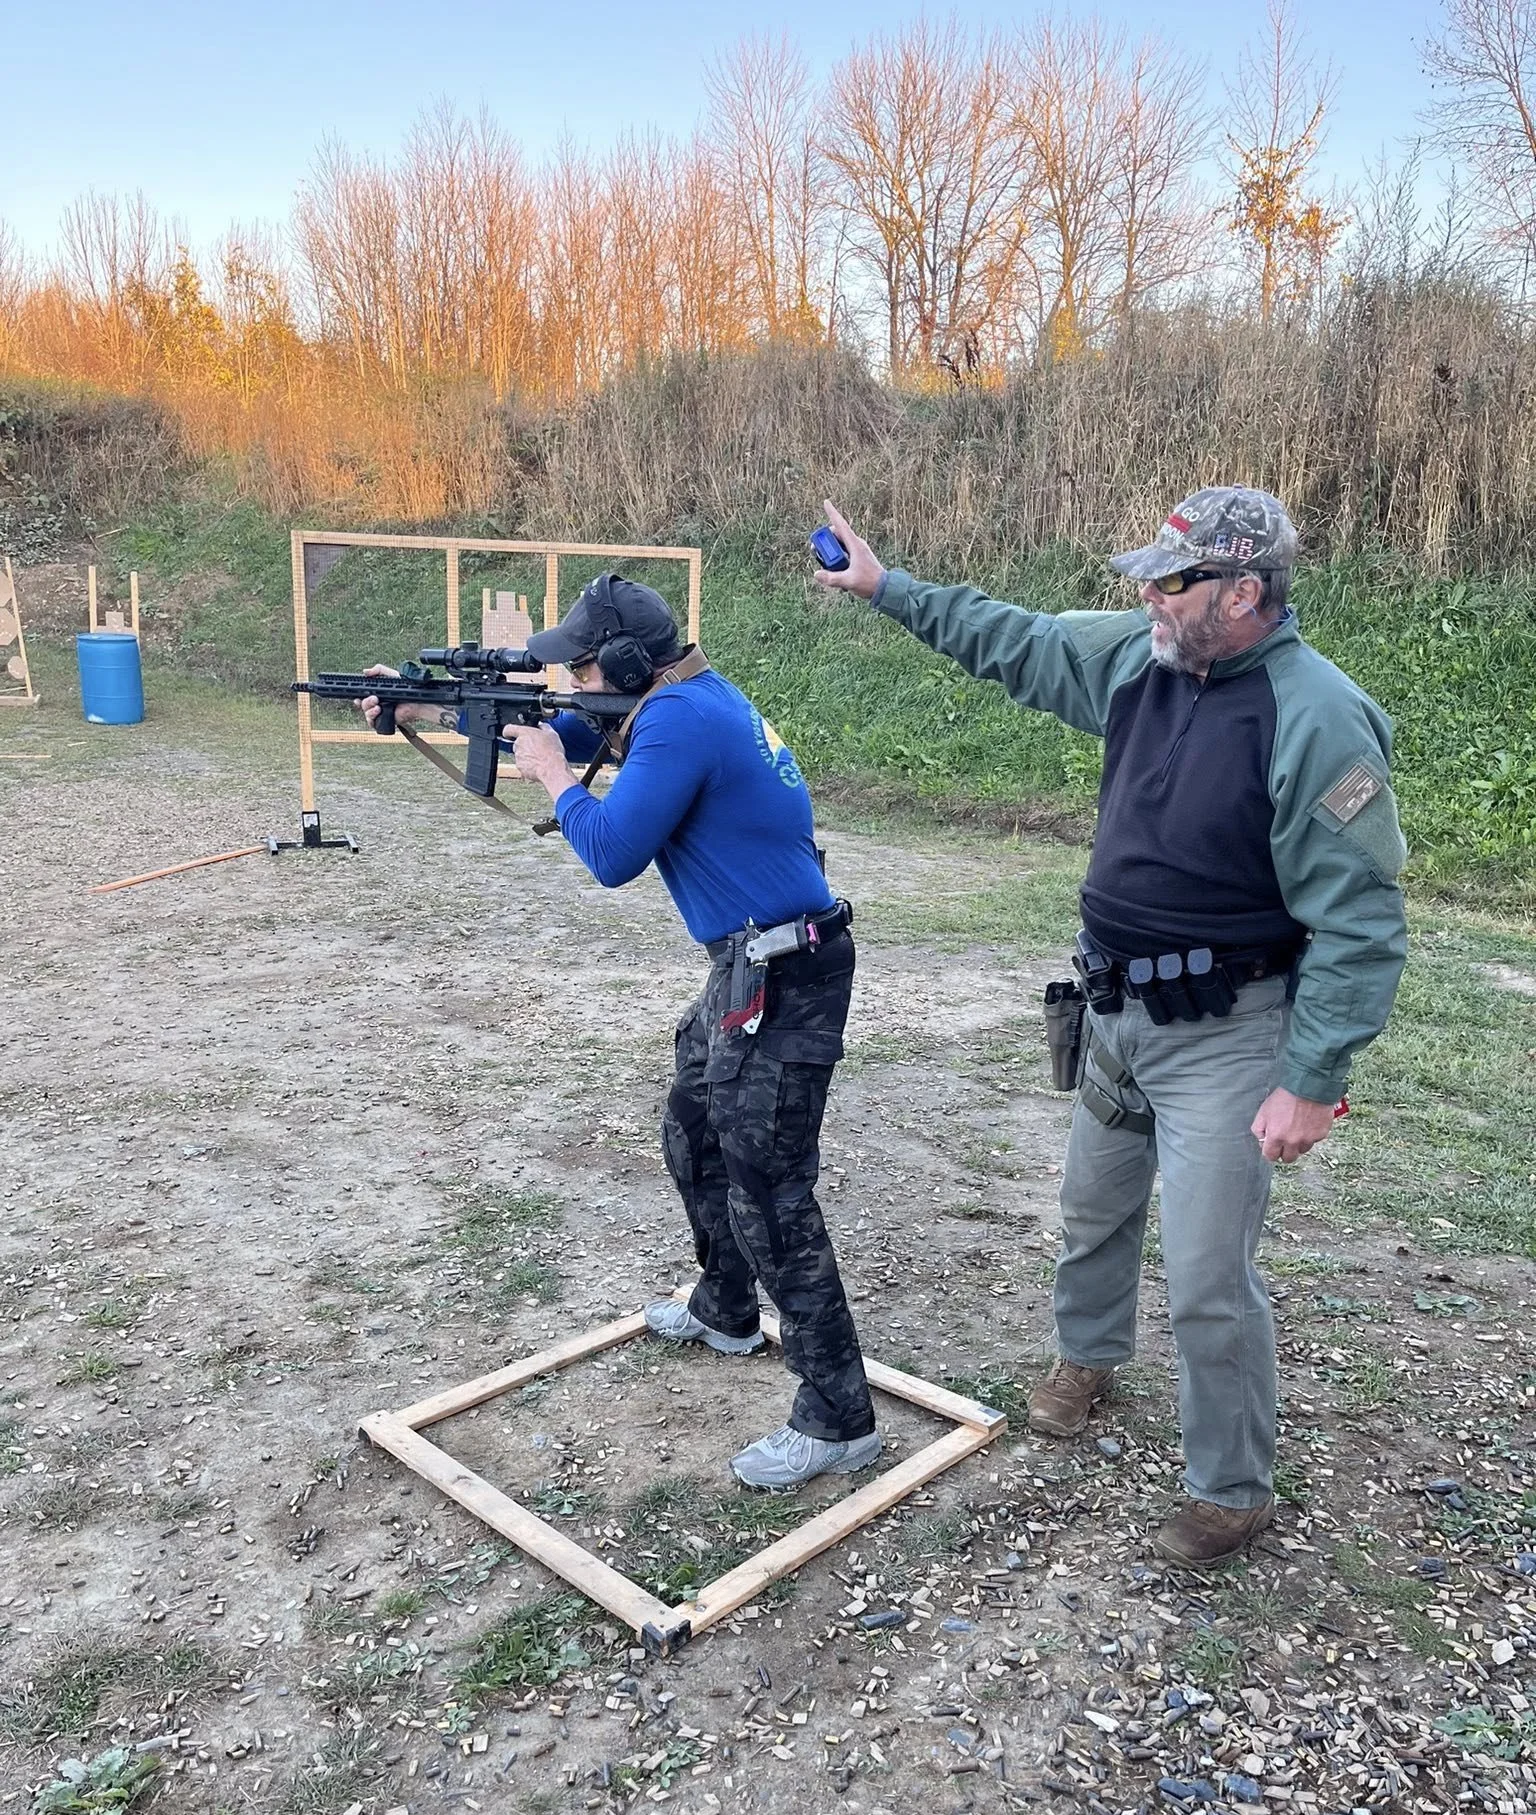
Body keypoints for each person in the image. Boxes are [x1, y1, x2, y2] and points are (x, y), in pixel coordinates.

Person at [815, 488, 1408, 1567]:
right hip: (1116, 1009)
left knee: (1209, 1276)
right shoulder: (1145, 657)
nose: (1148, 592)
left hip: (1230, 1032)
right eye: (1150, 574)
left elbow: (1362, 923)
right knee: (1092, 1209)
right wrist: (886, 587)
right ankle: (1087, 1358)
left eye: (1173, 580)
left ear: (1244, 592)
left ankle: (1233, 1489)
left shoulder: (1317, 715)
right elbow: (1017, 638)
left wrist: (1313, 1076)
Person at [361, 576, 881, 1492]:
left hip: (786, 977)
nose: (571, 680)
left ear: (632, 664)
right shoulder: (679, 700)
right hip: (749, 967)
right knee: (692, 1127)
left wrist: (558, 784)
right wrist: (422, 705)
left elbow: (609, 852)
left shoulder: (678, 722)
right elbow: (548, 730)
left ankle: (838, 1416)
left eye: (586, 664)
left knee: (772, 1193)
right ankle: (725, 1307)